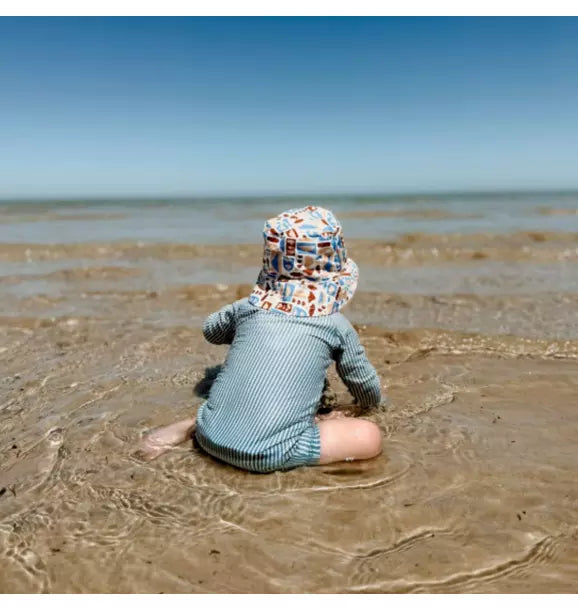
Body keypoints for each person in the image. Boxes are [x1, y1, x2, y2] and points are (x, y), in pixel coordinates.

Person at [138, 206, 384, 471]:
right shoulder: (336, 326)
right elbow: (363, 382)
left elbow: (211, 330)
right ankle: (308, 424)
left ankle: (193, 425)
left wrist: (247, 331)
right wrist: (371, 406)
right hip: (269, 454)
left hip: (209, 436)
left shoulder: (248, 308)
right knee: (369, 436)